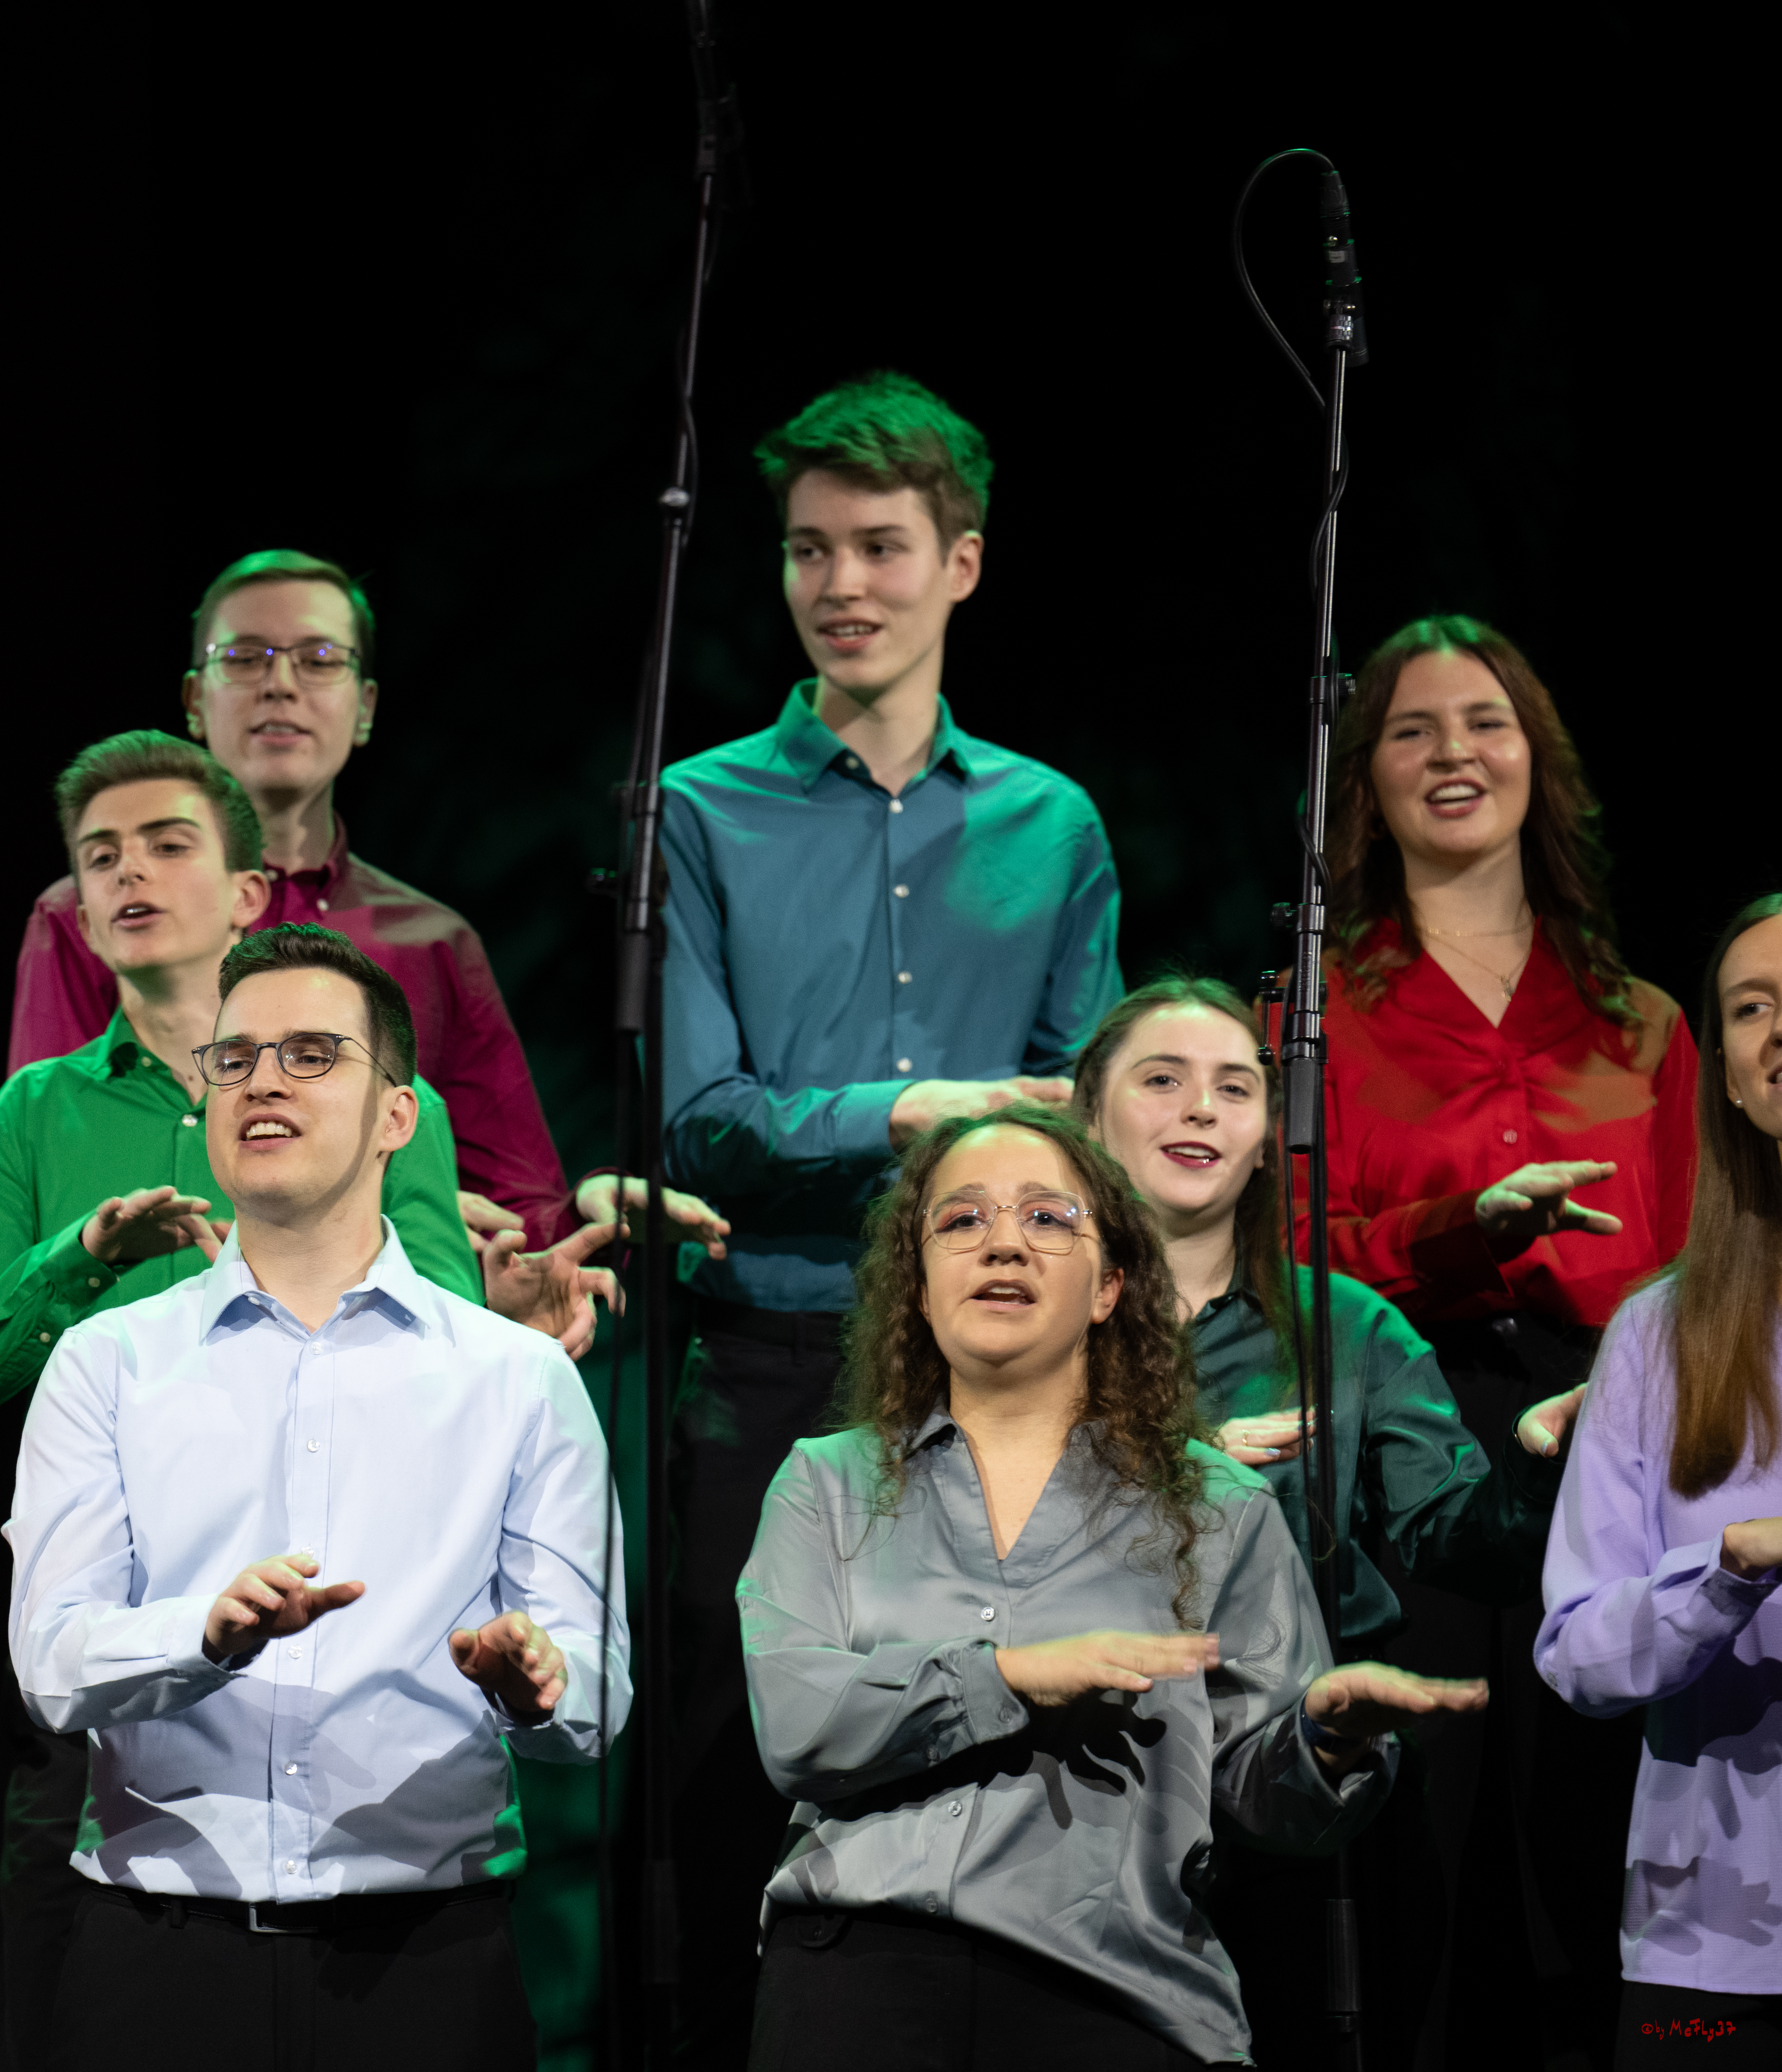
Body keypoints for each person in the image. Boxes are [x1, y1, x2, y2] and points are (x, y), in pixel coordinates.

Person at [0, 731, 613, 2062]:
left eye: (311, 1058)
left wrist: (538, 1679)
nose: (263, 1084)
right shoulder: (107, 1359)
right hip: (155, 1947)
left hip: (424, 1949)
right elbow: (53, 1660)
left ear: (396, 1114)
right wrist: (206, 1628)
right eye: (236, 1061)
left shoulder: (511, 1384)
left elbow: (591, 1704)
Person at [659, 370, 1121, 1996]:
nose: (842, 587)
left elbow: (1089, 1126)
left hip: (995, 1377)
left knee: (1004, 1766)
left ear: (963, 564)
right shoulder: (702, 808)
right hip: (768, 1356)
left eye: (881, 548)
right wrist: (925, 1107)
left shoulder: (1052, 823)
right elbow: (702, 1122)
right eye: (808, 552)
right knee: (732, 1794)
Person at [738, 1103, 1486, 2068]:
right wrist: (1007, 1675)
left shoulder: (1218, 1507)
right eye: (962, 1221)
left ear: (1110, 1286)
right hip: (856, 1977)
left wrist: (1328, 1736)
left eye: (1049, 1218)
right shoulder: (827, 1482)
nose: (1004, 1240)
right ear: (919, 1289)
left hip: (1112, 1991)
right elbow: (800, 1726)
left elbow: (1269, 1803)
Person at [1309, 613, 1700, 2055]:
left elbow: (1698, 1274)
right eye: (1410, 729)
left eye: (1484, 721)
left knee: (1577, 1851)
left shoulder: (1643, 1025)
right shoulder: (1311, 1017)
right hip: (1398, 1447)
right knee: (1417, 1844)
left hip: (1600, 1449)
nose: (1451, 752)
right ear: (1365, 780)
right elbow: (1285, 1261)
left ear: (1537, 761)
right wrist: (1465, 1228)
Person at [1078, 973, 1587, 2063]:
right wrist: (1183, 1470)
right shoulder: (1028, 1317)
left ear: (1272, 1137)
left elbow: (1461, 1542)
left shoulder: (1347, 1327)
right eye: (1161, 1082)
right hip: (1079, 1798)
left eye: (1234, 1088)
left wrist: (1544, 1461)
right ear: (1088, 1118)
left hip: (1298, 1807)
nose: (1202, 1110)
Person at [9, 549, 700, 1255]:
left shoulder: (429, 941)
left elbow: (512, 1200)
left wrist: (580, 1208)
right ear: (194, 700)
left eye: (317, 658)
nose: (280, 685)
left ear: (365, 706)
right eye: (245, 658)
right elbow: (52, 1162)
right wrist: (385, 1207)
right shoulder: (92, 917)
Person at [1539, 893, 1782, 2069]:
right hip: (1716, 1953)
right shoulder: (1659, 1335)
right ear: (1730, 1078)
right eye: (1753, 1008)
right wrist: (1727, 1570)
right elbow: (1577, 1651)